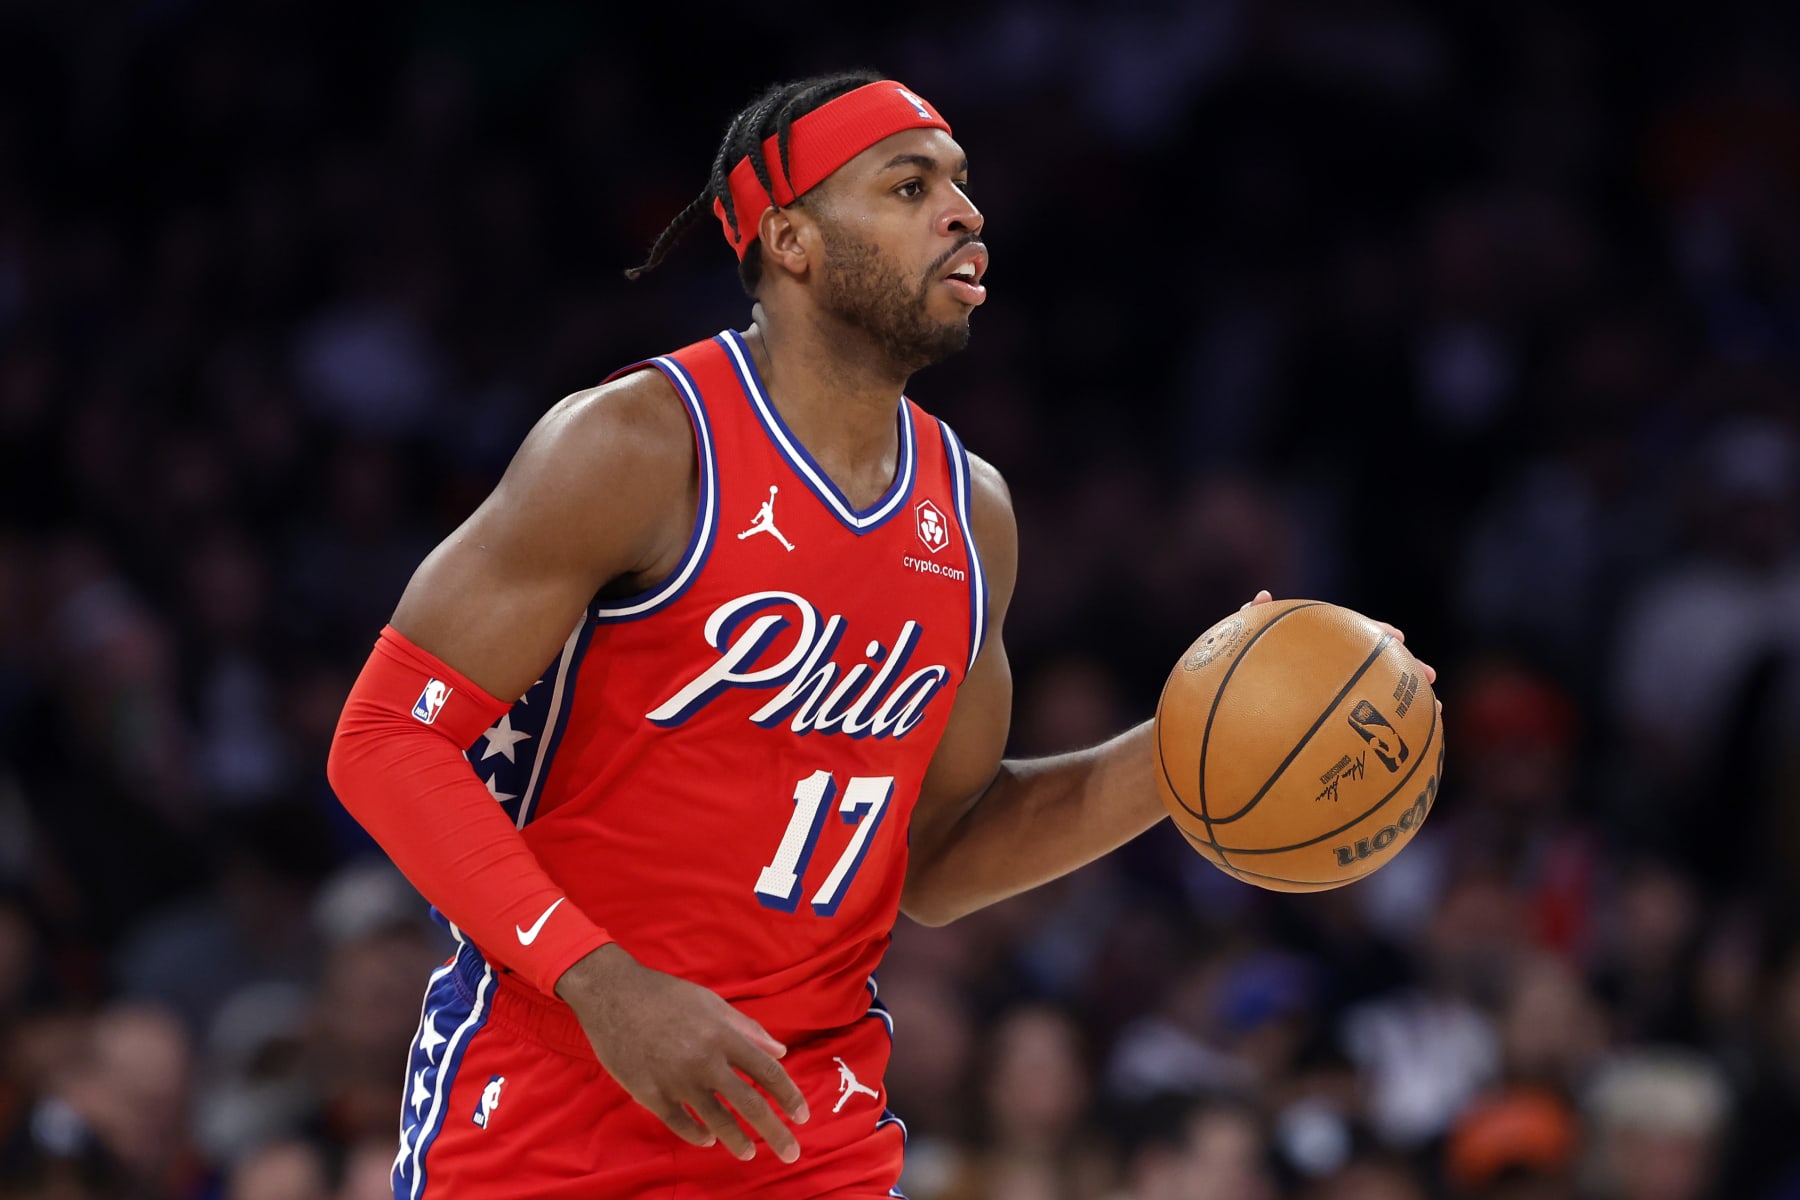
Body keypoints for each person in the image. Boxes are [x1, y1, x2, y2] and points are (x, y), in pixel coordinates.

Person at [326, 70, 1433, 1198]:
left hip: (810, 1124)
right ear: (792, 240)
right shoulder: (637, 445)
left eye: (961, 184)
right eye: (910, 187)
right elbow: (380, 738)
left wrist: (1193, 748)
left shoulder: (971, 510)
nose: (965, 213)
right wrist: (604, 984)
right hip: (557, 1097)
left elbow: (940, 857)